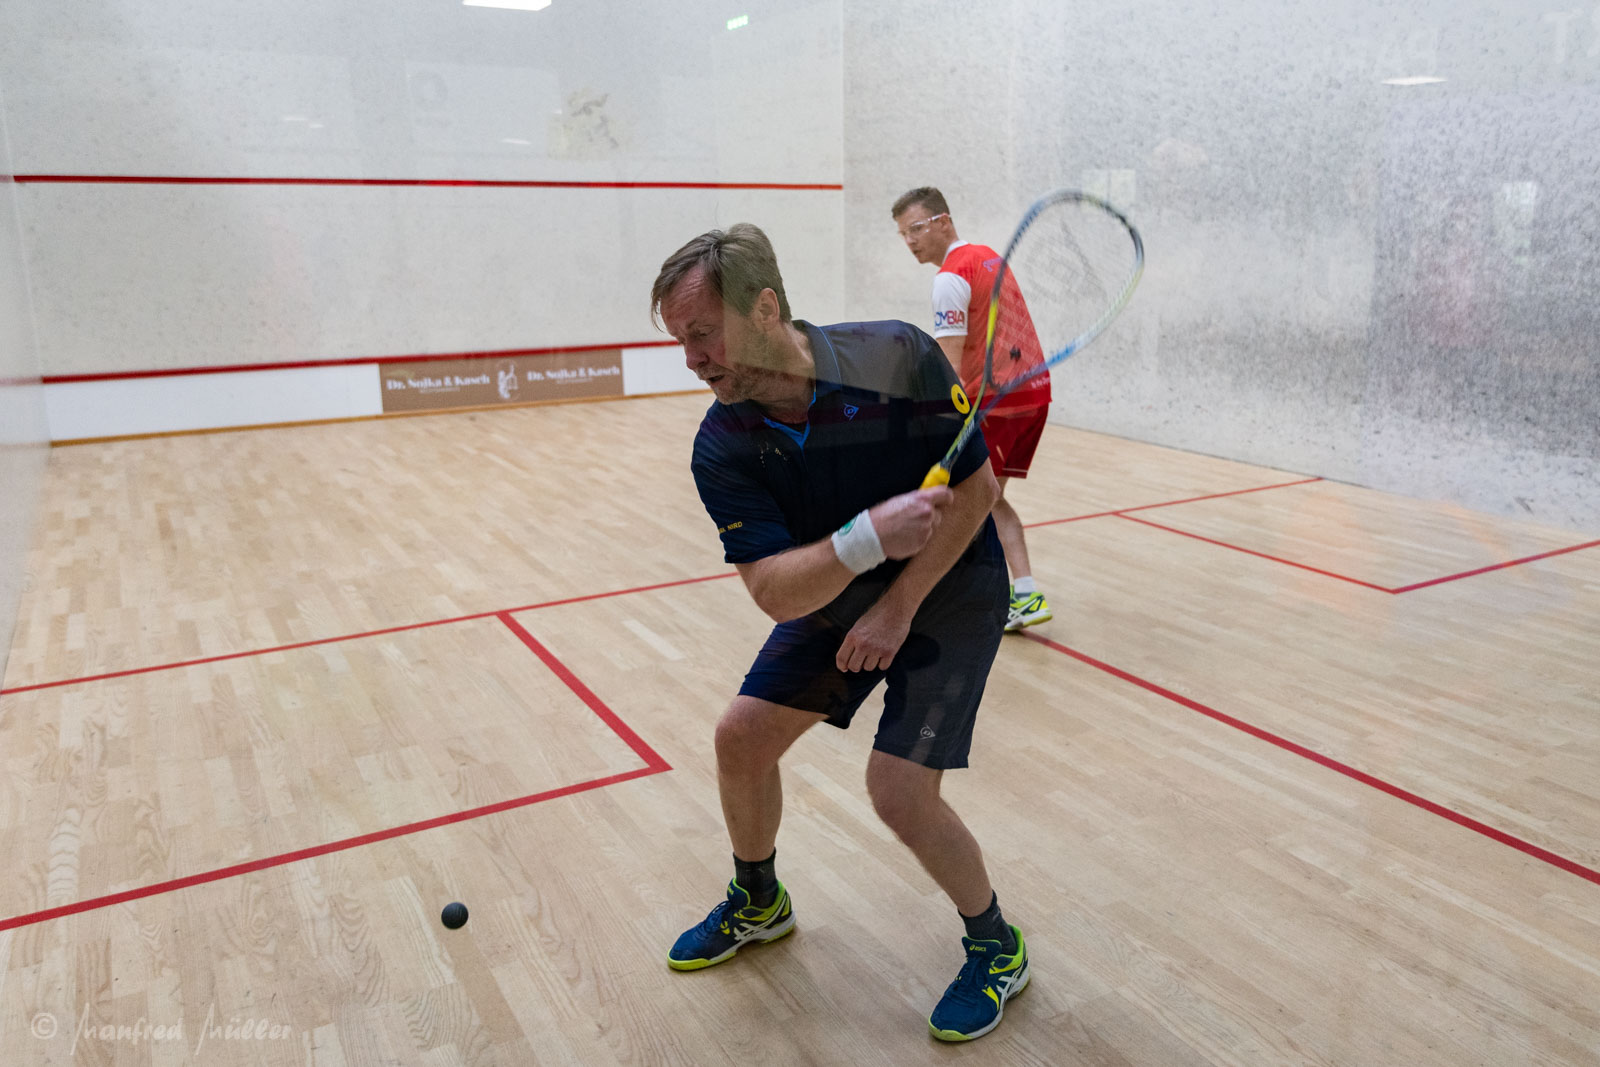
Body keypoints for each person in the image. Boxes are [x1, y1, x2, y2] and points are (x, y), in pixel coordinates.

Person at [651, 223, 1029, 1042]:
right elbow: (772, 590)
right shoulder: (724, 443)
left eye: (702, 334)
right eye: (681, 341)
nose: (691, 359)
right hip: (842, 592)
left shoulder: (894, 356)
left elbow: (977, 492)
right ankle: (760, 899)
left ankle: (997, 945)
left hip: (955, 587)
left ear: (764, 308)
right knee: (741, 740)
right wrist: (866, 544)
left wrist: (898, 605)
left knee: (898, 789)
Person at [891, 186, 1053, 631]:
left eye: (917, 228)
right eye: (904, 233)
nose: (911, 240)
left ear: (944, 221)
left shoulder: (950, 278)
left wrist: (929, 419)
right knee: (987, 500)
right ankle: (1022, 593)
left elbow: (949, 365)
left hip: (996, 404)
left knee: (965, 502)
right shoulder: (989, 258)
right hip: (1032, 397)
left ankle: (946, 598)